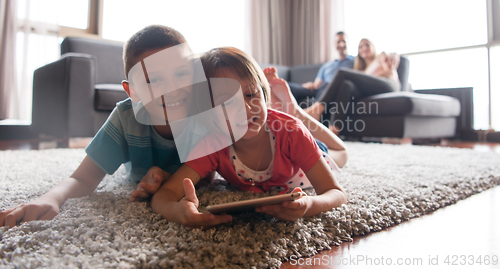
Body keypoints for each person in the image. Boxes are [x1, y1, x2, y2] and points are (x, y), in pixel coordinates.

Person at [0, 25, 204, 228]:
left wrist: (169, 180)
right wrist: (51, 198)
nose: (172, 89)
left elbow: (212, 172)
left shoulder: (205, 112)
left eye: (181, 74)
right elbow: (83, 178)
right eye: (154, 80)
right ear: (132, 91)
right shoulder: (126, 118)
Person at [145, 47, 347, 228]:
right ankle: (290, 111)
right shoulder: (212, 143)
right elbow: (164, 196)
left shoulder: (291, 133)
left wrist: (309, 205)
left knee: (341, 153)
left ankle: (297, 113)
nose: (246, 108)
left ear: (263, 94)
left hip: (303, 153)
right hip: (283, 136)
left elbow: (336, 194)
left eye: (251, 94)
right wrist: (177, 212)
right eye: (227, 103)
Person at [304, 38, 401, 133]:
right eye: (360, 46)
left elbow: (391, 64)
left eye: (367, 44)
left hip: (389, 84)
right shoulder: (363, 69)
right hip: (371, 88)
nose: (364, 48)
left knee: (341, 72)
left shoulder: (381, 57)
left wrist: (387, 59)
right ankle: (333, 131)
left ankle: (317, 109)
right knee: (346, 85)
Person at [288, 32, 354, 103]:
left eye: (344, 41)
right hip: (320, 90)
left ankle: (315, 110)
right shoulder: (327, 65)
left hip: (334, 89)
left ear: (348, 43)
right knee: (288, 86)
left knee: (328, 84)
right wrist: (311, 84)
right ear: (334, 44)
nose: (341, 44)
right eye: (338, 41)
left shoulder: (354, 61)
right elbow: (316, 85)